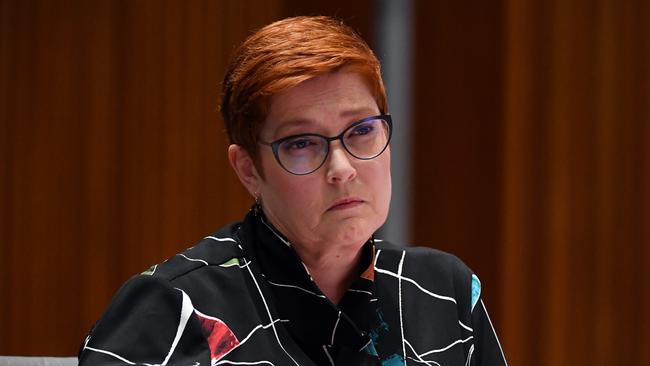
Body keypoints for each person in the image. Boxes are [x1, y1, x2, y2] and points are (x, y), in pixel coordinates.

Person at [78, 16, 507, 366]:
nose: (342, 169)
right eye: (301, 143)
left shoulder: (443, 291)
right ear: (248, 169)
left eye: (361, 131)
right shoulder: (172, 306)